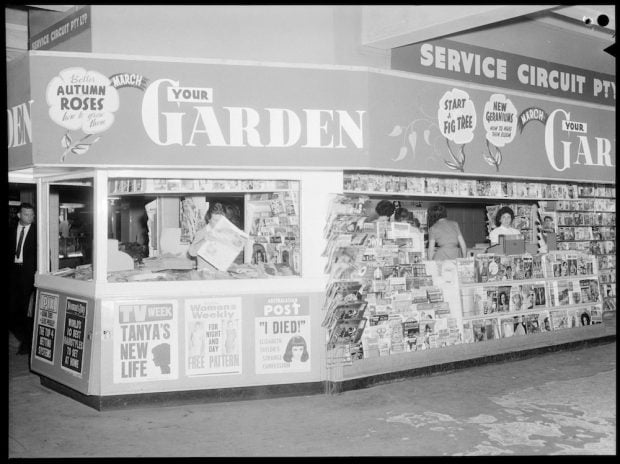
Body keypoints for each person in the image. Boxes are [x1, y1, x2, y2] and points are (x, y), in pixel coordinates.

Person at [9, 203, 37, 355]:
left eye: (32, 214)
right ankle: (20, 338)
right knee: (13, 308)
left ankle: (26, 343)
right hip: (13, 273)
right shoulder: (11, 230)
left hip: (29, 275)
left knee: (27, 309)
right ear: (19, 215)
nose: (30, 217)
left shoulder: (37, 232)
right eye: (26, 214)